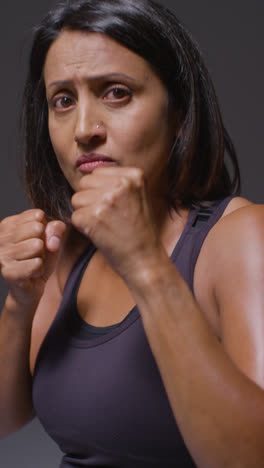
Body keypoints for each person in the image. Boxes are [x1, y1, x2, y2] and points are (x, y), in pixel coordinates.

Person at [0, 0, 264, 466]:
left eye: (116, 92)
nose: (84, 129)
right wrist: (20, 301)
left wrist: (144, 263)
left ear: (179, 110)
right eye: (63, 100)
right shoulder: (69, 253)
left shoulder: (239, 238)